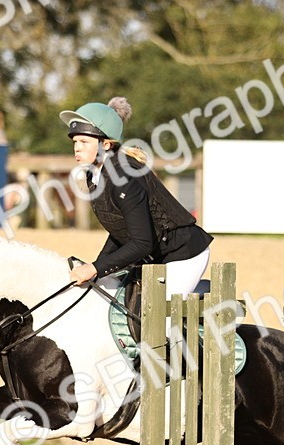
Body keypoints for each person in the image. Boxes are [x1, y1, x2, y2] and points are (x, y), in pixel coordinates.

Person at [60, 97, 212, 298]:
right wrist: (97, 266)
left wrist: (96, 268)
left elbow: (142, 243)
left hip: (183, 255)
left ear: (105, 144)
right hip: (153, 256)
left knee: (159, 321)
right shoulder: (95, 174)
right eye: (75, 141)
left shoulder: (125, 177)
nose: (77, 148)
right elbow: (120, 228)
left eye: (84, 141)